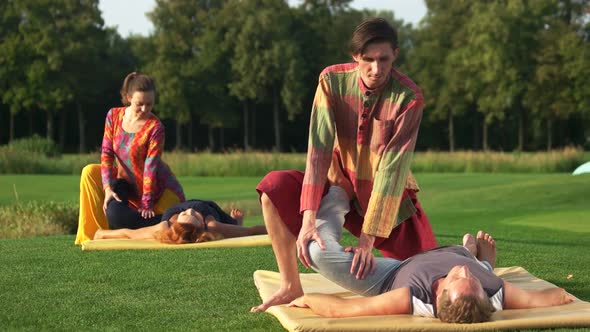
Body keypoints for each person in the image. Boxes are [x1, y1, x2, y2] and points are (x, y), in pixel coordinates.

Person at [251, 18, 437, 312]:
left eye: (384, 59)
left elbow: (391, 172)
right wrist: (309, 219)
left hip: (384, 198)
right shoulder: (331, 80)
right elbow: (318, 150)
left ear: (396, 55)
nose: (377, 69)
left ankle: (475, 252)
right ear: (355, 57)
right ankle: (290, 285)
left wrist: (366, 241)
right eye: (369, 60)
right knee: (273, 187)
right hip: (336, 183)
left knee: (430, 282)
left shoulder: (408, 97)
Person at [286, 193, 573, 323]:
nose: (462, 273)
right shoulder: (493, 291)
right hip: (450, 252)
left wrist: (308, 300)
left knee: (316, 252)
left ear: (441, 295)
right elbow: (552, 297)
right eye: (472, 278)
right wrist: (563, 296)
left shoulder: (413, 299)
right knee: (468, 260)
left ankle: (338, 193)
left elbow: (345, 311)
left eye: (460, 278)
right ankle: (480, 259)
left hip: (392, 275)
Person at [75, 72, 185, 245]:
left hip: (160, 191)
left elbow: (151, 166)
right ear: (128, 98)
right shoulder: (113, 116)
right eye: (139, 104)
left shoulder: (155, 128)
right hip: (125, 181)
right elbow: (106, 153)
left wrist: (147, 203)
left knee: (170, 232)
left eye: (149, 104)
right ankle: (90, 237)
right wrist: (107, 189)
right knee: (89, 172)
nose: (144, 109)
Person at [94, 201, 267, 244]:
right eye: (193, 215)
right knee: (235, 227)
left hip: (198, 211)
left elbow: (129, 234)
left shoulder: (164, 226)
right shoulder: (210, 224)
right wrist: (286, 229)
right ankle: (235, 222)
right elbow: (252, 231)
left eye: (184, 214)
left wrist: (102, 233)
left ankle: (234, 223)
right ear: (201, 226)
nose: (190, 210)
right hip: (211, 208)